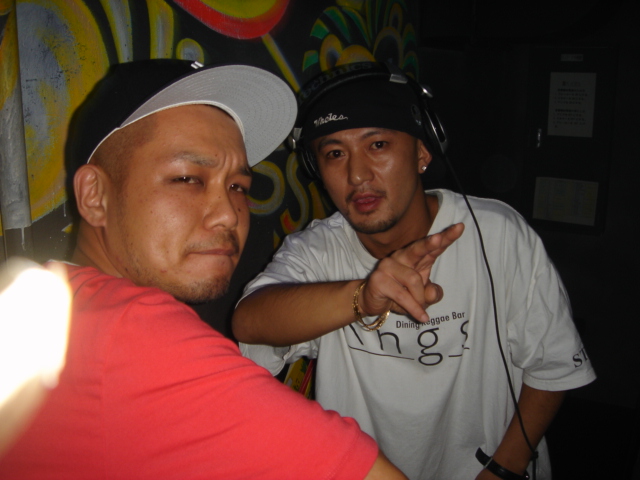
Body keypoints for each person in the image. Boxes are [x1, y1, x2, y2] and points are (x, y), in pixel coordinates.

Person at [0, 59, 409, 479]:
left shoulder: (45, 308)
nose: (229, 214)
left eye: (238, 187)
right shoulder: (135, 335)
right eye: (188, 179)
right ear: (94, 195)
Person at [233, 62, 597, 480]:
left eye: (378, 145)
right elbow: (248, 322)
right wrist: (362, 297)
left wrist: (503, 468)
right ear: (317, 171)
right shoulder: (317, 251)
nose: (357, 174)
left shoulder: (496, 234)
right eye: (334, 154)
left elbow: (553, 366)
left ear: (423, 152)